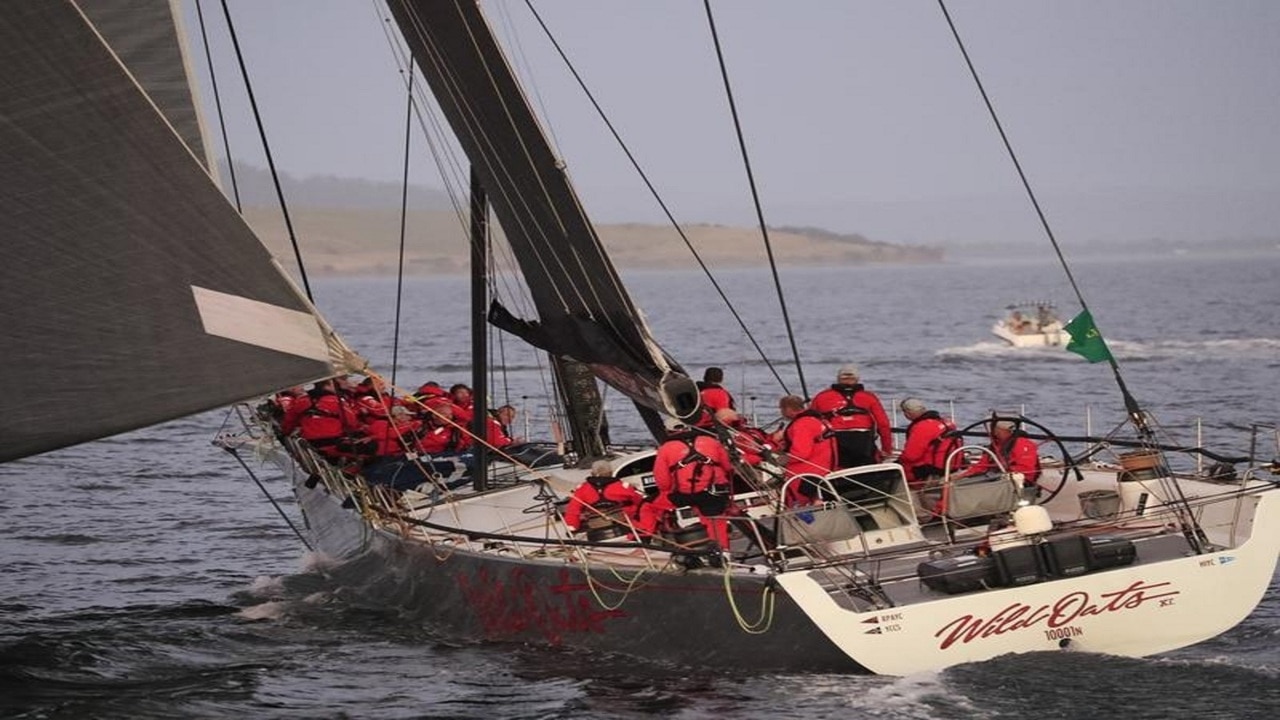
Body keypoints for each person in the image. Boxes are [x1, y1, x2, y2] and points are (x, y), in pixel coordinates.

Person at [648, 424, 734, 551]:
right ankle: (723, 552)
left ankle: (659, 539)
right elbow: (728, 468)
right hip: (715, 492)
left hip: (685, 494)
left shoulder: (665, 449)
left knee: (650, 506)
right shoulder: (712, 442)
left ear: (668, 431)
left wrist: (669, 490)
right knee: (716, 522)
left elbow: (662, 481)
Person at [809, 364, 892, 469]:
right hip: (863, 441)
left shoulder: (822, 397)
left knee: (838, 468)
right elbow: (883, 424)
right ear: (857, 379)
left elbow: (810, 422)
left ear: (838, 379)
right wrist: (886, 449)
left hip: (835, 440)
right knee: (868, 468)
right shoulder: (868, 397)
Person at [774, 394, 837, 506]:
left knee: (798, 503)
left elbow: (801, 453)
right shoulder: (819, 420)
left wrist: (781, 459)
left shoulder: (802, 424)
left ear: (787, 409)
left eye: (781, 409)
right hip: (823, 469)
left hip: (805, 474)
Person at [562, 460, 647, 538]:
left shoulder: (582, 490)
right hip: (624, 526)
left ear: (592, 473)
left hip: (596, 532)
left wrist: (572, 529)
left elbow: (573, 510)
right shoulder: (622, 487)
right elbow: (639, 501)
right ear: (611, 472)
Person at [896, 398, 960, 489]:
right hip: (951, 466)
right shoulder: (948, 423)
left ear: (907, 414)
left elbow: (910, 456)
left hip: (930, 470)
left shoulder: (922, 427)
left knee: (893, 470)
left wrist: (898, 461)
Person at [955, 419, 1040, 488]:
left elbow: (1027, 471)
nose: (994, 432)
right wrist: (962, 475)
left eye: (996, 429)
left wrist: (1003, 471)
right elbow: (982, 465)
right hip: (996, 477)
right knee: (958, 484)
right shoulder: (996, 444)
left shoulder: (1022, 444)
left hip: (1016, 483)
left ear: (1005, 430)